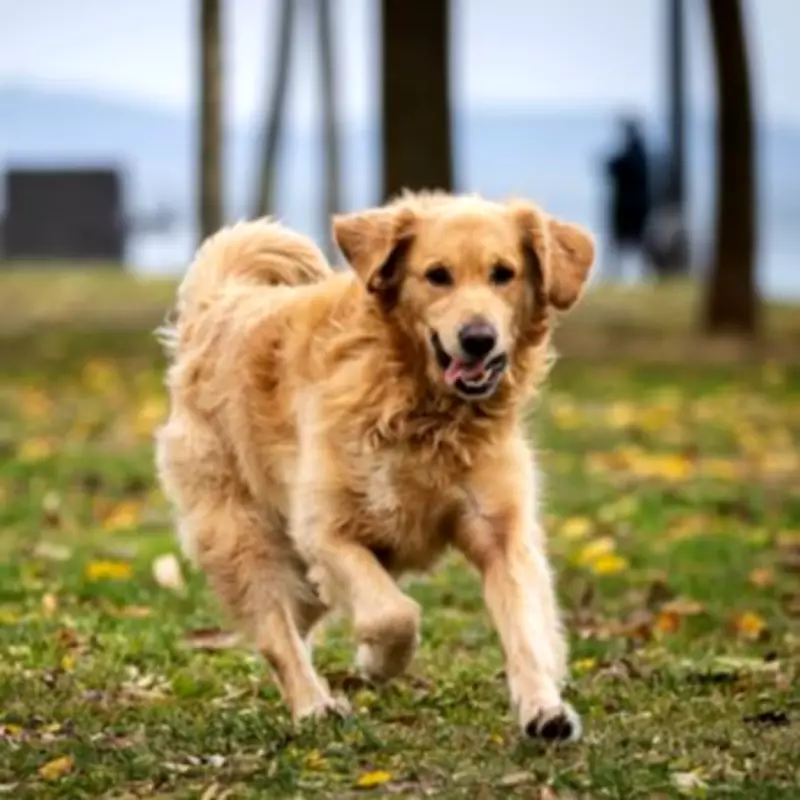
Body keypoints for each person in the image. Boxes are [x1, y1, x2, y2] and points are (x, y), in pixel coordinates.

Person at [603, 117, 651, 281]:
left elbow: (613, 167)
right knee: (634, 245)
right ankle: (627, 276)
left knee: (626, 244)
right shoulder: (642, 154)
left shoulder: (633, 156)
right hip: (637, 208)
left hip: (628, 209)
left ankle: (624, 276)